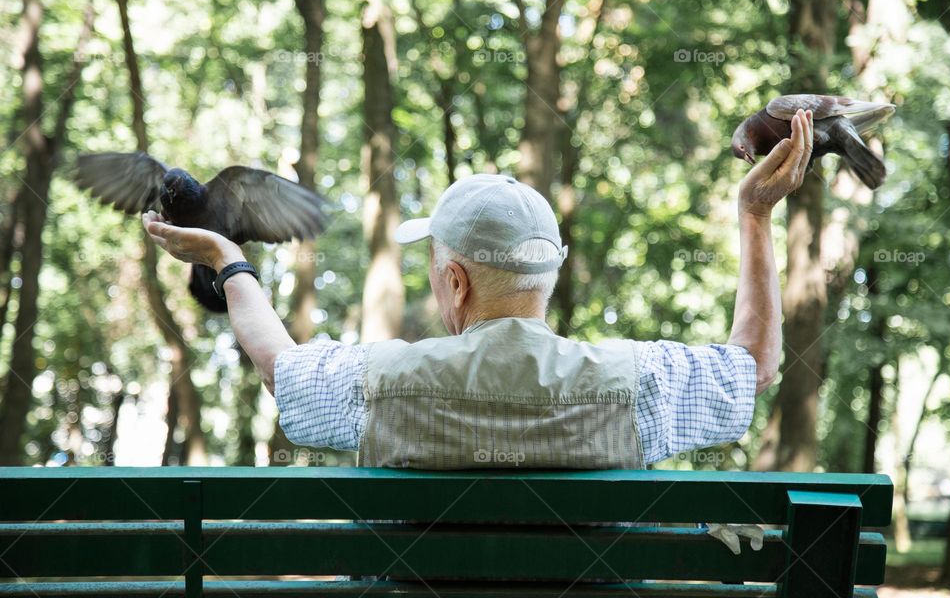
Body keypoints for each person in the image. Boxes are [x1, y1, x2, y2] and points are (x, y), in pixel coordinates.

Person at [143, 109, 814, 469]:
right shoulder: (640, 381)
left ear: (456, 283)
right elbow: (752, 368)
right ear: (548, 274)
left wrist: (228, 260)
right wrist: (754, 217)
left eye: (437, 269)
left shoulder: (377, 382)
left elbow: (276, 366)